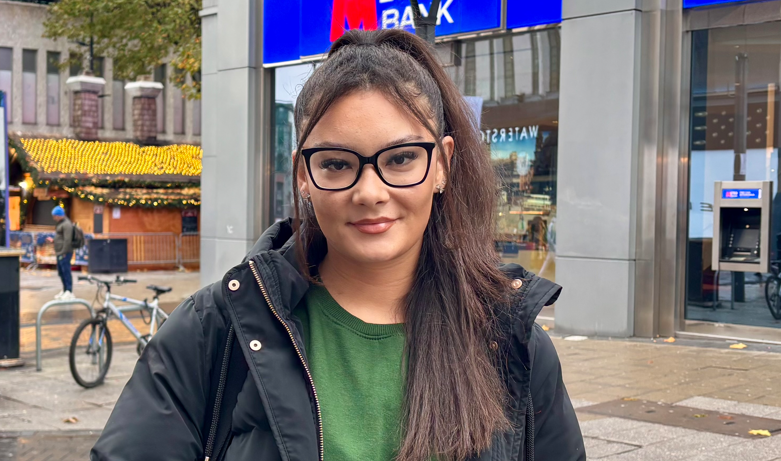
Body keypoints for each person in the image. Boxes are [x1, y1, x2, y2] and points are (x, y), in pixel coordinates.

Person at [92, 29, 584, 461]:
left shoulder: (512, 342)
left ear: (442, 165)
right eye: (335, 164)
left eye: (401, 158)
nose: (370, 192)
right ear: (302, 173)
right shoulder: (217, 327)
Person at [49, 206, 74, 301]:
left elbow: (67, 240)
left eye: (55, 216)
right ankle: (64, 290)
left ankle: (69, 291)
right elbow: (60, 237)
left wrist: (64, 252)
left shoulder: (67, 224)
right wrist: (54, 241)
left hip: (64, 252)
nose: (54, 218)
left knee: (66, 271)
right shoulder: (61, 224)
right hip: (59, 251)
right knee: (61, 271)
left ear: (59, 215)